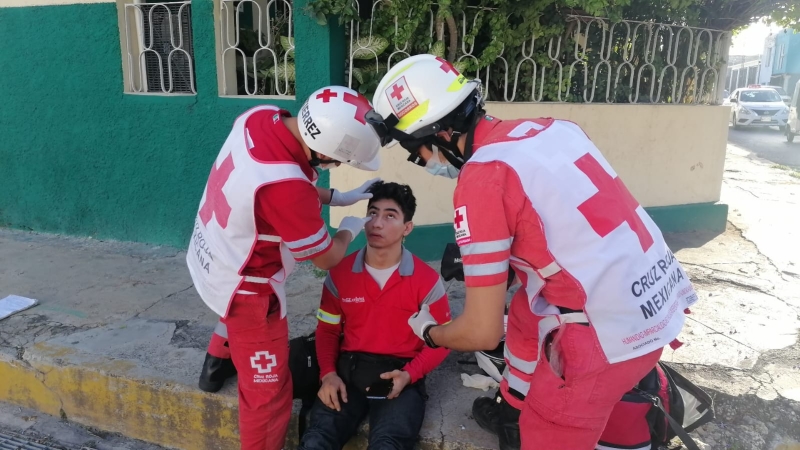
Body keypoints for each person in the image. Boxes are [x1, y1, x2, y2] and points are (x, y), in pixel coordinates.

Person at [365, 54, 699, 450]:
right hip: (657, 299)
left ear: (437, 134)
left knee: (548, 434)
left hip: (604, 340)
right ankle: (514, 407)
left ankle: (536, 421)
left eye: (414, 153)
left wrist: (429, 332)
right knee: (525, 309)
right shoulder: (552, 128)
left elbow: (481, 331)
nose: (421, 164)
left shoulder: (482, 179)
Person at [187, 85, 383, 450]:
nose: (337, 167)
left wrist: (339, 197)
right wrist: (347, 230)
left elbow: (283, 183)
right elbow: (324, 257)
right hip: (249, 291)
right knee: (269, 394)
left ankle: (215, 364)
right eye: (339, 161)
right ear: (323, 150)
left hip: (214, 251)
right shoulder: (287, 187)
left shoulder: (262, 116)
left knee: (226, 308)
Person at [298, 181, 451, 450]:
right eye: (372, 213)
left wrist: (409, 374)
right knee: (316, 440)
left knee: (388, 445)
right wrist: (328, 374)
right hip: (350, 370)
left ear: (407, 228)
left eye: (390, 216)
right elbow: (328, 330)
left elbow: (443, 340)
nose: (377, 223)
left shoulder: (427, 281)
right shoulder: (339, 273)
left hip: (401, 372)